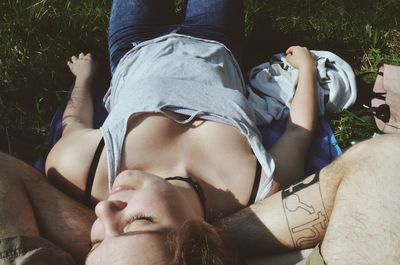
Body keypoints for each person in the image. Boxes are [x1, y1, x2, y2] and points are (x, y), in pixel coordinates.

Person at [1, 134, 400, 264]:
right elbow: (387, 160)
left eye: (93, 242)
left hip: (133, 49)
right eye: (141, 222)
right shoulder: (255, 184)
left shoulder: (85, 171)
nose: (102, 208)